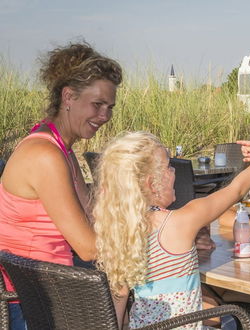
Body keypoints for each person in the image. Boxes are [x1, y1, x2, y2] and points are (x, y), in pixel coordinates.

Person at [0, 42, 123, 329]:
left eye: (110, 107)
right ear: (68, 96)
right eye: (97, 105)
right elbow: (89, 248)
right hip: (32, 306)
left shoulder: (61, 148)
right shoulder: (45, 156)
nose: (104, 116)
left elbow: (94, 216)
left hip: (52, 293)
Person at [92, 131, 250, 329]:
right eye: (168, 166)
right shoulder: (180, 221)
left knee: (209, 305)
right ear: (151, 184)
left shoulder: (120, 231)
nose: (174, 171)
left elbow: (118, 305)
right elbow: (236, 191)